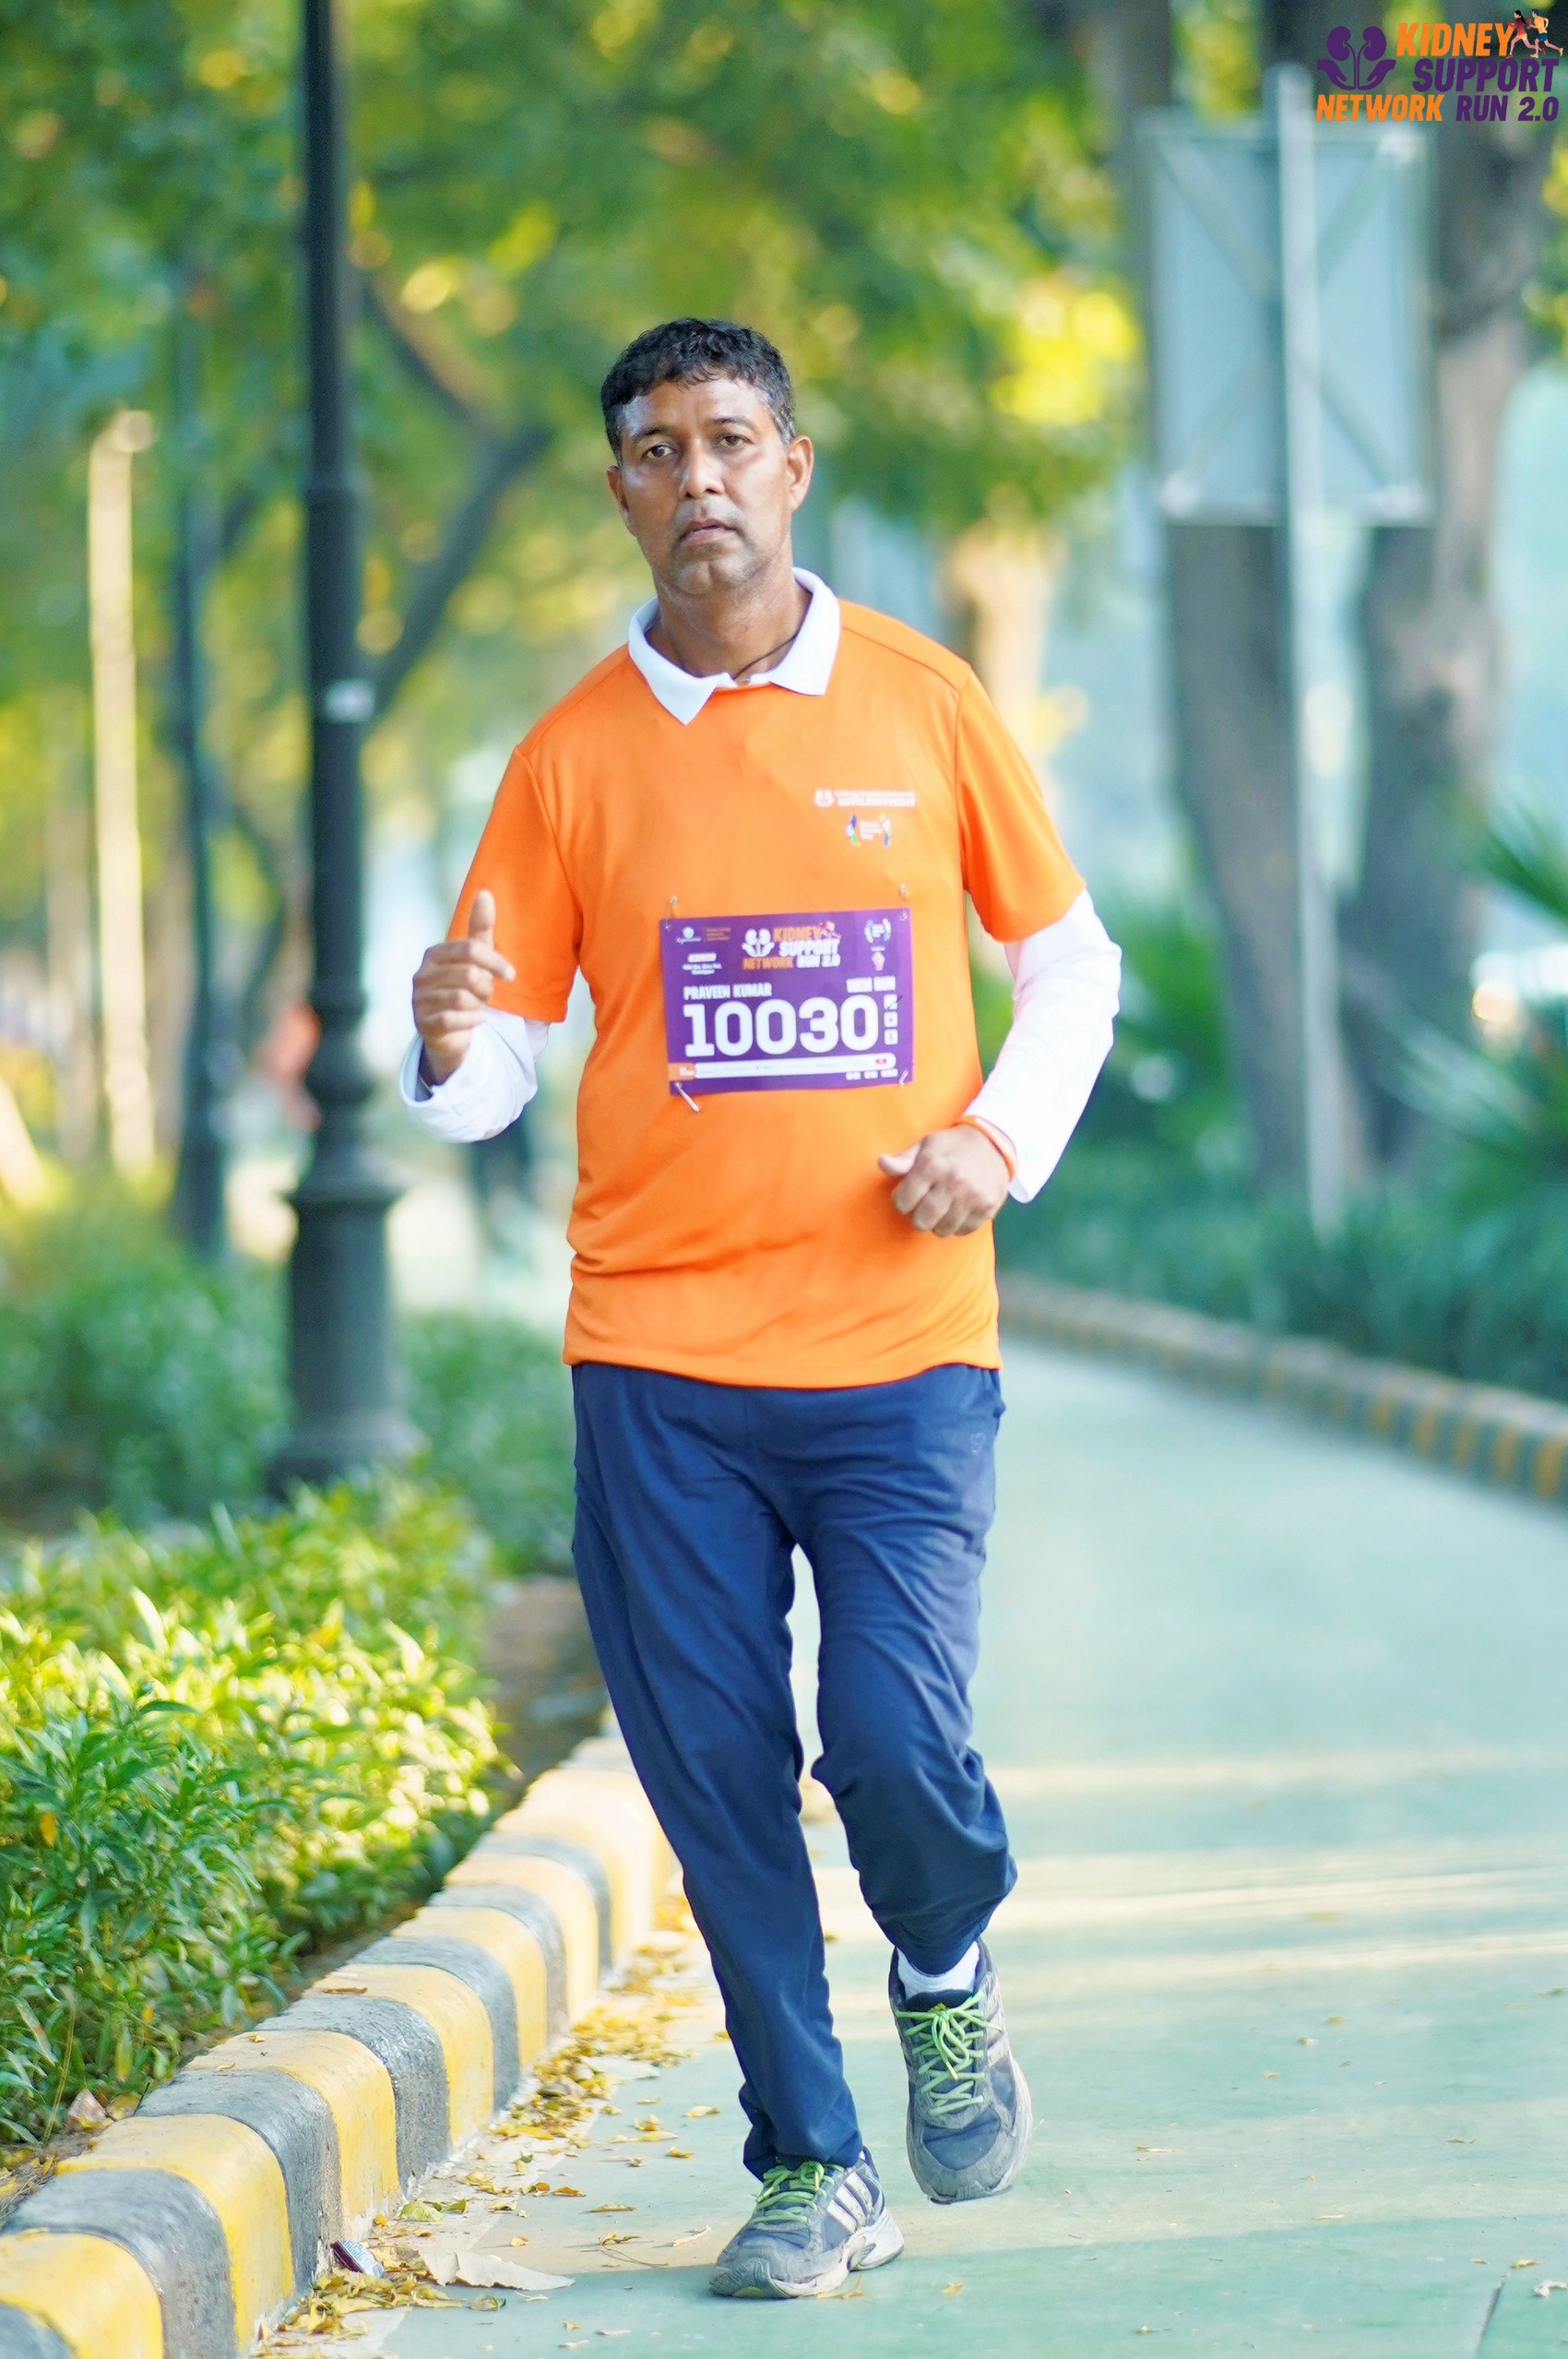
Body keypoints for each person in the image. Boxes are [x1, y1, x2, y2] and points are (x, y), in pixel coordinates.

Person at [402, 317, 1121, 2300]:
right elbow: (492, 1068)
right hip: (658, 1366)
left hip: (898, 1352)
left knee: (890, 1738)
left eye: (730, 438)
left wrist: (994, 1140)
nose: (696, 475)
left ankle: (944, 1967)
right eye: (657, 448)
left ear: (793, 468)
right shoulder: (568, 758)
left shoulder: (923, 698)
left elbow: (1069, 964)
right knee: (717, 1782)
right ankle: (813, 2160)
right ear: (622, 493)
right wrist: (443, 1040)